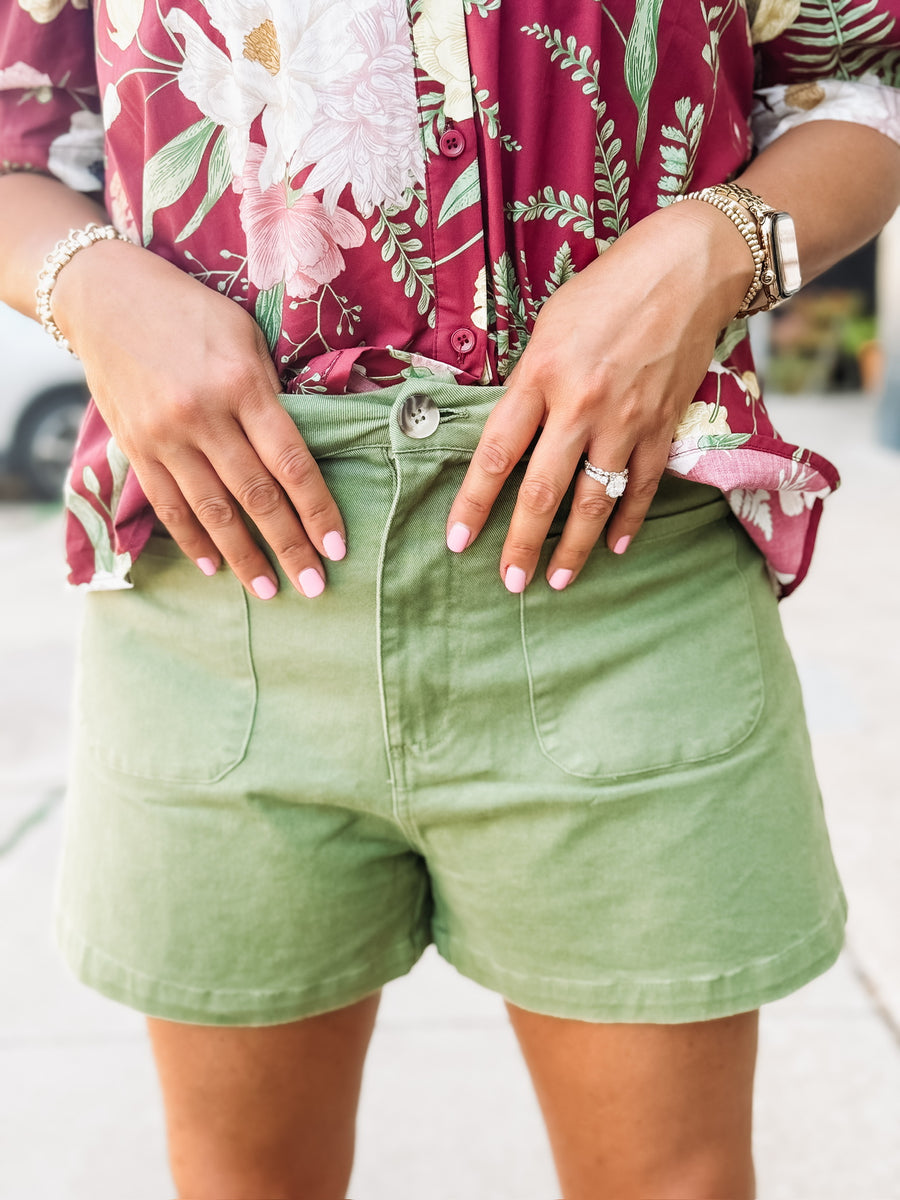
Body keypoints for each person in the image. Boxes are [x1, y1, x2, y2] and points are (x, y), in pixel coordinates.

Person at [1, 1, 899, 1196]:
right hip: (226, 560)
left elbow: (860, 86)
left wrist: (710, 249)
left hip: (616, 548)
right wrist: (94, 287)